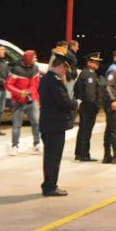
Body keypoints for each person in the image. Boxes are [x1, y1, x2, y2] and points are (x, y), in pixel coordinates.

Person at [38, 55, 74, 196]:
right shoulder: (54, 81)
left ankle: (49, 184)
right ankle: (50, 186)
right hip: (55, 125)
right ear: (61, 66)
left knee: (50, 157)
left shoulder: (47, 78)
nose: (65, 72)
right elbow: (63, 102)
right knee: (53, 158)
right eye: (65, 68)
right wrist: (76, 103)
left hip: (49, 124)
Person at [7, 49, 43, 155]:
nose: (36, 59)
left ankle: (36, 144)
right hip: (18, 101)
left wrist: (33, 95)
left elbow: (36, 85)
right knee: (17, 124)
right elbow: (8, 84)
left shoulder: (35, 68)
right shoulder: (16, 69)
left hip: (32, 100)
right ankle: (15, 146)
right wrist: (19, 93)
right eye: (34, 57)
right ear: (28, 58)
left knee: (36, 122)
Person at [73, 52, 105, 161]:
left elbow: (76, 89)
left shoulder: (84, 73)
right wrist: (95, 106)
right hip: (89, 107)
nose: (97, 64)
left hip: (83, 105)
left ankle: (79, 152)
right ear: (89, 62)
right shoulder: (89, 74)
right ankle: (84, 154)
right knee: (86, 131)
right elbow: (90, 93)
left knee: (82, 129)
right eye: (95, 62)